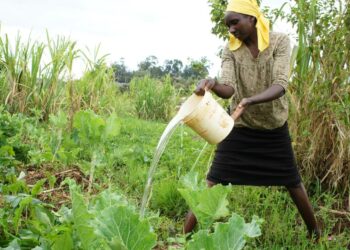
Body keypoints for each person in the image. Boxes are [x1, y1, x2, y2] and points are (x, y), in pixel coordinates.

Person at [184, 0, 320, 240]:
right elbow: (229, 88)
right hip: (239, 127)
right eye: (228, 25)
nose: (231, 30)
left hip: (273, 126)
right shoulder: (231, 50)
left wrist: (249, 101)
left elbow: (280, 85)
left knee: (292, 182)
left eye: (234, 22)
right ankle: (183, 237)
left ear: (252, 19)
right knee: (213, 179)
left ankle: (316, 234)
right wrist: (213, 84)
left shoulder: (280, 41)